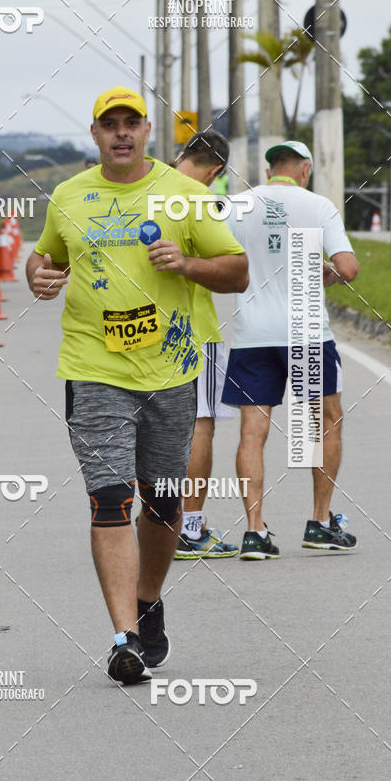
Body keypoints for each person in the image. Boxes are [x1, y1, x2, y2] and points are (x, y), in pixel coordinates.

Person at [26, 86, 248, 684]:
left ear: (148, 131)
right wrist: (37, 275)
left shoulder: (187, 196)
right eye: (110, 124)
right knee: (109, 499)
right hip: (93, 367)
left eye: (131, 123)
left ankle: (148, 600)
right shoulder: (69, 196)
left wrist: (188, 264)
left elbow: (238, 273)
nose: (121, 132)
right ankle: (123, 637)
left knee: (163, 501)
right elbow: (44, 259)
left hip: (170, 370)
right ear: (95, 134)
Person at [221, 141, 359, 560]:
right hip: (307, 333)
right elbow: (348, 268)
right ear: (306, 169)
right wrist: (326, 273)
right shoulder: (318, 206)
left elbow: (210, 254)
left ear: (268, 172)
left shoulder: (238, 205)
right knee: (325, 423)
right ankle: (319, 523)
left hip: (253, 334)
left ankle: (254, 531)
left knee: (252, 432)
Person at [173, 131, 239, 559]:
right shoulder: (201, 202)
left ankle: (157, 520)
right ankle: (190, 527)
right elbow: (229, 270)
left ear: (182, 154)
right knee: (200, 425)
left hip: (144, 334)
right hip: (195, 331)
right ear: (216, 171)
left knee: (154, 432)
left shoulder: (147, 187)